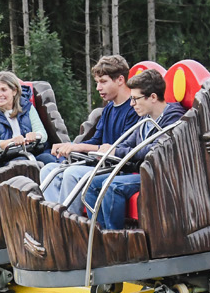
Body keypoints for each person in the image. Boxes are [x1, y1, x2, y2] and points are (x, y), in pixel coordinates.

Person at [79, 67, 184, 234]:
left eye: (135, 99)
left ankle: (115, 239)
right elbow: (127, 143)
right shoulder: (146, 119)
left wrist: (118, 152)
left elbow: (156, 149)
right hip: (143, 171)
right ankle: (98, 235)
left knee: (112, 186)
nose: (132, 104)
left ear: (153, 97)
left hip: (160, 175)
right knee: (92, 184)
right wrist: (112, 149)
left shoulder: (174, 117)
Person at [44, 55, 139, 208]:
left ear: (120, 80)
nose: (98, 88)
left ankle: (69, 225)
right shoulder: (108, 109)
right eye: (97, 82)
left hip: (119, 169)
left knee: (71, 174)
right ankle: (54, 220)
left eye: (103, 82)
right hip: (101, 164)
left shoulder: (134, 108)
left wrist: (77, 147)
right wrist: (68, 146)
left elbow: (118, 148)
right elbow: (96, 141)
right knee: (48, 170)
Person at [0, 71, 62, 172]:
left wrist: (34, 136)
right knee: (23, 164)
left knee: (49, 160)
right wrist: (11, 142)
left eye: (3, 90)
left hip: (32, 151)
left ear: (14, 91)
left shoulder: (27, 107)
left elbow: (42, 134)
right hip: (6, 159)